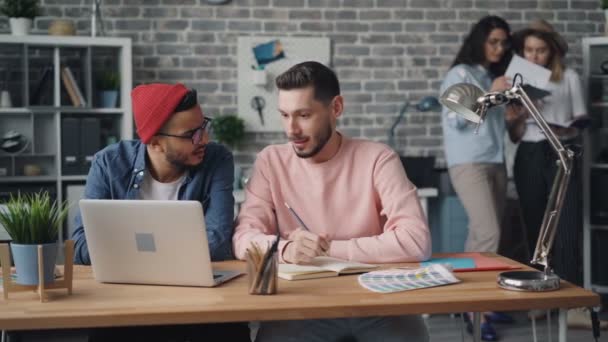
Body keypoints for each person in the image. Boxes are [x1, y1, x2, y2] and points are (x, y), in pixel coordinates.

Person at [232, 61, 431, 342]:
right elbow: (243, 238)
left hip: (379, 302)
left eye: (303, 115)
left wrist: (328, 252)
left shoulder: (378, 158)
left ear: (336, 108)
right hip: (301, 306)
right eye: (285, 115)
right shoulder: (270, 161)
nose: (292, 130)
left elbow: (415, 241)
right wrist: (288, 250)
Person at [71, 83, 249, 341]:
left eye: (204, 127)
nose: (205, 140)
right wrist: (177, 255)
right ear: (155, 143)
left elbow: (219, 242)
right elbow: (79, 246)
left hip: (200, 299)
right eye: (192, 134)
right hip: (126, 299)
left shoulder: (216, 159)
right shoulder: (109, 163)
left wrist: (126, 253)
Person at [509, 20, 607, 329]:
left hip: (562, 154)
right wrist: (516, 116)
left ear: (552, 51)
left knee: (566, 226)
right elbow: (513, 135)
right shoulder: (517, 79)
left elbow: (583, 122)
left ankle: (574, 303)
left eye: (540, 51)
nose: (534, 56)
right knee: (536, 228)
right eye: (529, 51)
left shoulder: (570, 78)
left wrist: (562, 128)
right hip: (528, 154)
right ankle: (540, 297)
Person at [439, 15, 518, 341]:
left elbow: (503, 131)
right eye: (493, 42)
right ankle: (479, 313)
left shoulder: (491, 76)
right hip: (468, 163)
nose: (499, 48)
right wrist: (490, 92)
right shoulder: (461, 74)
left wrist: (515, 112)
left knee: (480, 238)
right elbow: (455, 119)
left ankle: (471, 304)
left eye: (503, 42)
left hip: (496, 162)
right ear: (480, 41)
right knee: (488, 233)